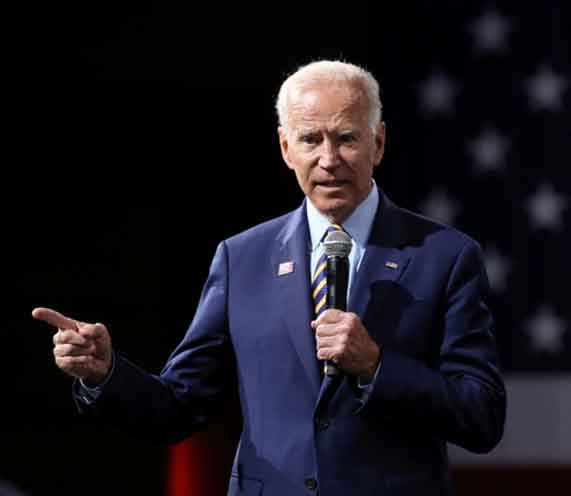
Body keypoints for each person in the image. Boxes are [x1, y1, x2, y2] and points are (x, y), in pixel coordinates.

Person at [32, 60, 506, 496]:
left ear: (378, 142)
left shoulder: (445, 257)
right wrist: (106, 373)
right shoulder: (243, 259)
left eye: (346, 138)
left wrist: (377, 366)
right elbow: (178, 406)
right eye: (309, 140)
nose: (328, 158)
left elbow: (481, 416)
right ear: (285, 147)